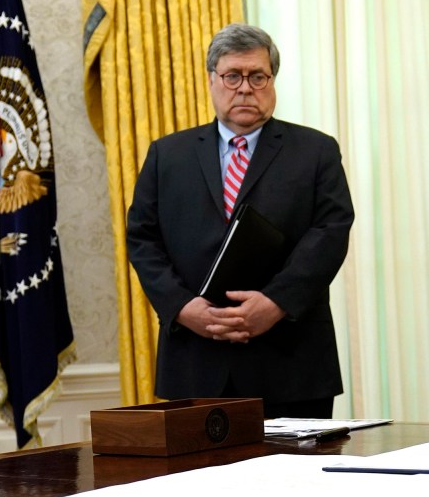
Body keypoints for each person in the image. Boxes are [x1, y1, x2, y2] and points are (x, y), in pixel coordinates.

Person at [126, 24, 354, 418]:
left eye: (257, 76)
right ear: (213, 80)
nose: (245, 88)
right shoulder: (167, 155)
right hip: (196, 361)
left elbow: (330, 233)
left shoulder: (315, 151)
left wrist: (276, 302)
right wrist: (181, 307)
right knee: (197, 480)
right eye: (232, 76)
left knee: (295, 480)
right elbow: (142, 239)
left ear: (273, 80)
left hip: (291, 361)